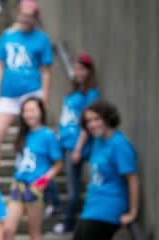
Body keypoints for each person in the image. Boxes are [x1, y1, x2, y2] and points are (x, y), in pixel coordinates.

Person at [0, 0, 53, 173]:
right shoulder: (8, 35)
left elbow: (46, 71)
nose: (25, 19)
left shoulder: (42, 38)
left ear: (35, 18)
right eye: (23, 14)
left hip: (32, 93)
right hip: (8, 95)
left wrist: (44, 97)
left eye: (29, 16)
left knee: (34, 138)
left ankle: (37, 176)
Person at [73, 100, 139, 240]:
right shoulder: (98, 141)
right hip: (91, 207)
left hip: (108, 209)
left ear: (107, 118)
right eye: (88, 121)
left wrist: (132, 213)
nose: (92, 124)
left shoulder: (119, 144)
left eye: (97, 119)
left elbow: (132, 178)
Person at [52, 52, 100, 234]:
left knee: (73, 188)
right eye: (75, 68)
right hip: (63, 142)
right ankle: (57, 208)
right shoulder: (74, 92)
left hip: (74, 145)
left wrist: (78, 148)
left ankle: (69, 222)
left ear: (89, 71)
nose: (76, 72)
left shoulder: (91, 94)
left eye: (81, 69)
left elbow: (88, 123)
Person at [3, 97, 63, 240]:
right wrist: (14, 180)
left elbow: (58, 164)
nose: (29, 114)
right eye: (25, 111)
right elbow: (20, 161)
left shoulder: (48, 134)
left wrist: (43, 181)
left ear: (41, 111)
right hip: (18, 185)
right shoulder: (23, 134)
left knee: (34, 233)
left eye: (32, 110)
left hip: (35, 187)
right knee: (7, 229)